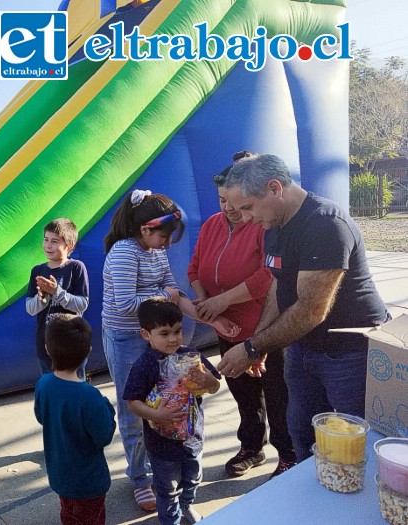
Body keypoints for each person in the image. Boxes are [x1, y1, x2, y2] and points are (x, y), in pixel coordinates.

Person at [217, 153, 390, 461]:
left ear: (274, 188)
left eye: (247, 207)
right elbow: (276, 284)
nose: (244, 218)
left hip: (349, 354)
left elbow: (311, 309)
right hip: (303, 350)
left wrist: (252, 348)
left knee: (360, 442)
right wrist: (258, 340)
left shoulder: (324, 224)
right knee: (303, 435)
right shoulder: (273, 224)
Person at [101, 189, 238, 511]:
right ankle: (139, 478)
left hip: (154, 336)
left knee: (166, 399)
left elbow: (174, 297)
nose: (167, 244)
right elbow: (125, 305)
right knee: (134, 407)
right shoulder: (124, 252)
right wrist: (164, 297)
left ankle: (161, 465)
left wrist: (213, 322)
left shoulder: (154, 253)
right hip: (126, 339)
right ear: (146, 229)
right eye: (164, 236)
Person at [187, 152, 296, 478]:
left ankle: (288, 453)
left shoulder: (261, 224)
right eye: (222, 200)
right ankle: (251, 446)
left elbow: (267, 276)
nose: (230, 208)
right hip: (229, 330)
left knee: (278, 395)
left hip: (266, 328)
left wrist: (223, 301)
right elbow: (194, 267)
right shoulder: (211, 225)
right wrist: (206, 302)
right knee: (244, 395)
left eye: (236, 201)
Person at [123, 298, 220, 525]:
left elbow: (214, 386)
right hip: (161, 444)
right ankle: (170, 518)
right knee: (167, 488)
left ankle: (186, 505)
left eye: (177, 331)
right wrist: (157, 415)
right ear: (146, 335)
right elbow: (132, 402)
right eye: (164, 333)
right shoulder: (144, 365)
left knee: (193, 479)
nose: (174, 338)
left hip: (193, 438)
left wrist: (208, 379)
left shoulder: (191, 357)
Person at [34, 314, 116, 525]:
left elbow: (41, 416)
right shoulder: (90, 396)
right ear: (88, 352)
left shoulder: (43, 384)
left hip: (60, 476)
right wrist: (108, 408)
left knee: (69, 516)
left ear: (47, 348)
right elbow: (104, 436)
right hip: (89, 482)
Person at [26, 218, 89, 379]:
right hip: (47, 345)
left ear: (69, 246)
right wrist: (43, 297)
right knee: (50, 387)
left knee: (76, 387)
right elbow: (30, 309)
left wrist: (57, 292)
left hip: (72, 344)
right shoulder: (37, 271)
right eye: (46, 240)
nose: (48, 245)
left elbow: (82, 304)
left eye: (55, 241)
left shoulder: (76, 268)